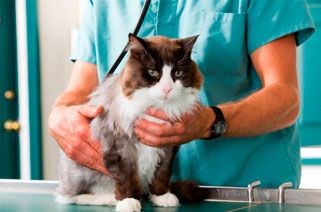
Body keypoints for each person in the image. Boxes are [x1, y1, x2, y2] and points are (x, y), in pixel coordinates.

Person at [49, 0, 315, 188]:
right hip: (140, 195)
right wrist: (59, 116)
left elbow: (286, 98)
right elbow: (80, 91)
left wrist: (210, 122)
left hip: (244, 191)